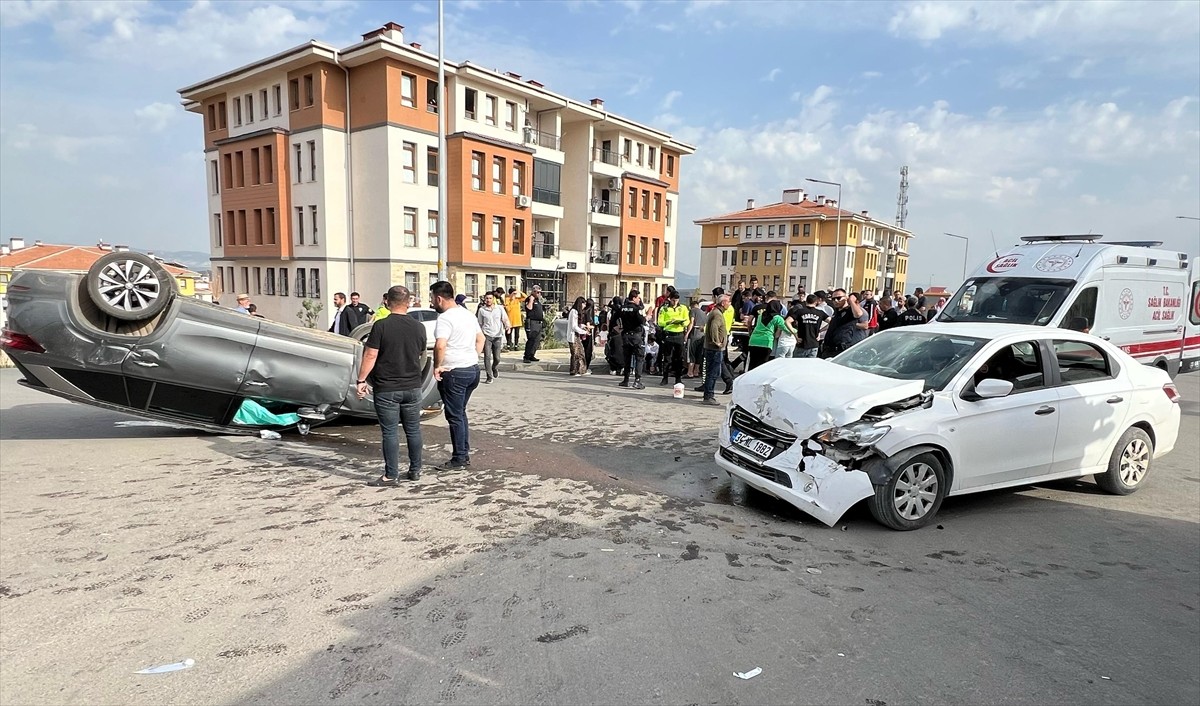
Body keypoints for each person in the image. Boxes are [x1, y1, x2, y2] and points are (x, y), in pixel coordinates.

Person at [355, 285, 427, 484]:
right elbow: (421, 354)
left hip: (387, 388)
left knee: (390, 431)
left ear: (387, 301)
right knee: (413, 430)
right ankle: (415, 470)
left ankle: (391, 475)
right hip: (413, 386)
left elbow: (371, 354)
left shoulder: (381, 326)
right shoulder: (419, 327)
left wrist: (361, 380)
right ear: (408, 303)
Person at [429, 280, 485, 471]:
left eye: (432, 299)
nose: (432, 303)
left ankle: (460, 458)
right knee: (460, 413)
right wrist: (471, 356)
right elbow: (481, 339)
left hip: (454, 372)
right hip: (472, 370)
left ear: (439, 298)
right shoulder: (467, 314)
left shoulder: (445, 318)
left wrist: (437, 366)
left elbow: (440, 345)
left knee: (454, 416)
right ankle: (463, 452)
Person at [821, 289, 870, 357]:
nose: (836, 301)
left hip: (841, 349)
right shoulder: (837, 311)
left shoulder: (850, 310)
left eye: (839, 298)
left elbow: (858, 314)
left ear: (846, 298)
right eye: (833, 299)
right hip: (828, 348)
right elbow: (833, 324)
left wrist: (851, 301)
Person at [700, 294, 730, 405]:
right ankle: (709, 395)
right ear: (723, 303)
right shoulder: (717, 314)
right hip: (714, 349)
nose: (729, 304)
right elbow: (713, 327)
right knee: (713, 372)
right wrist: (716, 342)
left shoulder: (715, 312)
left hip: (711, 348)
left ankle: (708, 394)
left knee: (711, 372)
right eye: (728, 302)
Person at [656, 290, 690, 386]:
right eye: (673, 300)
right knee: (667, 358)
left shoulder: (683, 308)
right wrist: (668, 322)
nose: (675, 302)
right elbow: (660, 322)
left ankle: (678, 379)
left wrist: (683, 322)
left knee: (679, 358)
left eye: (677, 300)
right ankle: (665, 377)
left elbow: (687, 320)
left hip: (679, 334)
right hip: (669, 335)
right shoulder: (664, 308)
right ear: (670, 299)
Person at [476, 292, 510, 384]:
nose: (488, 300)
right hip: (487, 335)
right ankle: (489, 376)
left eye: (490, 298)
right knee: (487, 356)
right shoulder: (482, 310)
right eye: (487, 298)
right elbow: (479, 324)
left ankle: (494, 368)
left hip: (497, 336)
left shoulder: (499, 308)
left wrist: (507, 327)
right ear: (484, 299)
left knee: (497, 358)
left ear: (493, 299)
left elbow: (505, 319)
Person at [618, 289, 647, 389]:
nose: (639, 300)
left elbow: (616, 318)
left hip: (625, 335)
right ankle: (637, 380)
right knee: (639, 357)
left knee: (627, 358)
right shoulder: (636, 309)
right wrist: (647, 317)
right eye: (638, 298)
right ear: (634, 298)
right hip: (636, 335)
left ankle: (626, 379)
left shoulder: (623, 308)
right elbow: (641, 321)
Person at [747, 299, 788, 370]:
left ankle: (750, 379)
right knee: (763, 364)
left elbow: (750, 321)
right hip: (766, 341)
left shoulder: (760, 315)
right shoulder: (778, 318)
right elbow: (786, 329)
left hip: (754, 340)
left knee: (753, 363)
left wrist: (750, 331)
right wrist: (796, 331)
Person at [567, 297, 590, 376]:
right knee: (576, 354)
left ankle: (582, 370)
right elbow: (574, 326)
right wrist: (584, 332)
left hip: (576, 335)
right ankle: (574, 370)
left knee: (580, 353)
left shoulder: (575, 312)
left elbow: (576, 325)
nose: (584, 306)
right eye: (583, 304)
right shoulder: (574, 312)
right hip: (573, 336)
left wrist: (582, 326)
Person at [523, 285, 546, 363]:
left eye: (540, 292)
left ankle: (532, 355)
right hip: (532, 322)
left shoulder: (538, 300)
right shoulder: (530, 299)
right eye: (537, 292)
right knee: (531, 340)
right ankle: (526, 356)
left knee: (537, 340)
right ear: (533, 291)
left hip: (539, 323)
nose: (539, 294)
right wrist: (531, 300)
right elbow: (529, 308)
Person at [604, 295, 625, 374]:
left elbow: (609, 305)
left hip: (613, 332)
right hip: (621, 333)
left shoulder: (613, 310)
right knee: (621, 350)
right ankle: (621, 367)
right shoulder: (622, 309)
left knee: (613, 350)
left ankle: (614, 367)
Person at [686, 297, 706, 379]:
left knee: (691, 354)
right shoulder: (704, 313)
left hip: (694, 333)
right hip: (702, 334)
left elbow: (691, 322)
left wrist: (687, 334)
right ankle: (696, 371)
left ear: (691, 306)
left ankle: (690, 372)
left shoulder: (692, 311)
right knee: (699, 354)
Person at [581, 298, 597, 370]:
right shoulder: (589, 313)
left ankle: (583, 366)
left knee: (584, 350)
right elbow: (588, 325)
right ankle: (585, 366)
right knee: (588, 351)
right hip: (587, 333)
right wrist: (593, 326)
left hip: (582, 333)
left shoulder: (583, 311)